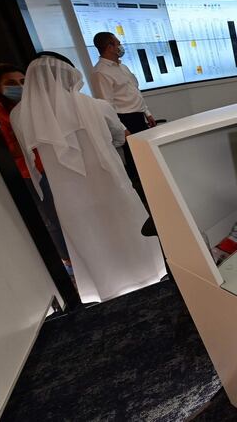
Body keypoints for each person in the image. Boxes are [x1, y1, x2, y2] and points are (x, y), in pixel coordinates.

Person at [11, 53, 166, 303]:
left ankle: (107, 289)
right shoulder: (97, 106)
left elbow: (32, 156)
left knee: (92, 240)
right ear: (70, 75)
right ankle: (153, 274)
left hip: (69, 194)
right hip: (112, 183)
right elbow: (119, 136)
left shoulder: (20, 115)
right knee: (129, 230)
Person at [0, 63, 71, 268]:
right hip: (28, 173)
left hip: (52, 165)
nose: (18, 86)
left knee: (68, 210)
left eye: (23, 82)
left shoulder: (34, 105)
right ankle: (68, 262)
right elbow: (11, 151)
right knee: (52, 219)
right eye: (10, 83)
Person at [90, 31, 155, 182]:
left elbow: (134, 91)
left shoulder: (122, 67)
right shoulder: (101, 72)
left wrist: (147, 113)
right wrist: (122, 129)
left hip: (139, 116)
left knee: (147, 157)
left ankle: (153, 183)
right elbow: (107, 105)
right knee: (135, 161)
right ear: (109, 46)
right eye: (118, 43)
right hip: (125, 120)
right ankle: (144, 194)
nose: (120, 47)